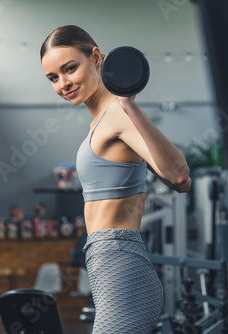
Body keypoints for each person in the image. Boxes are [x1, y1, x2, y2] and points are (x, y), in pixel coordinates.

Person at [40, 25, 191, 333]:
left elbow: (179, 177)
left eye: (70, 69)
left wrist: (128, 104)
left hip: (121, 263)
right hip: (106, 262)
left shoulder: (118, 113)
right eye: (53, 77)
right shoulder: (101, 119)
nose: (63, 84)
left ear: (96, 57)